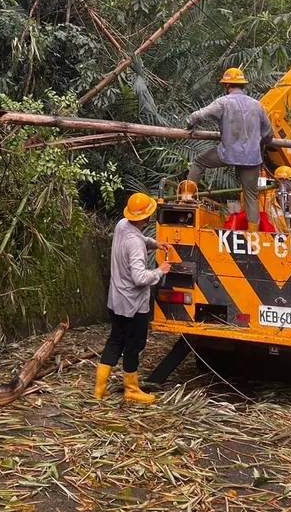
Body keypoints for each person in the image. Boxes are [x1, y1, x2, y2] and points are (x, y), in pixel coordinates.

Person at [93, 192, 171, 405]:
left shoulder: (122, 225)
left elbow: (139, 239)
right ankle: (132, 389)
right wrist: (159, 271)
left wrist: (156, 244)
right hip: (133, 306)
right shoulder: (135, 243)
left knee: (115, 340)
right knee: (133, 346)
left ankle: (99, 390)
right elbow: (139, 277)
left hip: (115, 300)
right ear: (146, 218)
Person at [184, 67, 274, 232]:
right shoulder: (257, 105)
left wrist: (189, 124)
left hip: (227, 154)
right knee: (251, 196)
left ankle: (186, 197)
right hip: (252, 158)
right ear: (243, 85)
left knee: (199, 162)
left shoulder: (223, 102)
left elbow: (200, 115)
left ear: (226, 85)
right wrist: (259, 145)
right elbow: (268, 134)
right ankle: (253, 234)